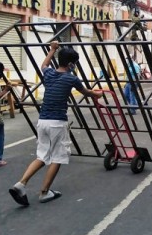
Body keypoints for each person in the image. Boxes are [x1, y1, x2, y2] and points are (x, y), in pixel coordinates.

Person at [8, 41, 102, 206]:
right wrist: (97, 94)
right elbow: (86, 92)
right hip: (57, 122)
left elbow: (44, 64)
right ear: (71, 64)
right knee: (58, 157)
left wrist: (52, 49)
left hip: (43, 121)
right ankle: (44, 192)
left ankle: (20, 184)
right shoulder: (71, 79)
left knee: (42, 156)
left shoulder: (49, 74)